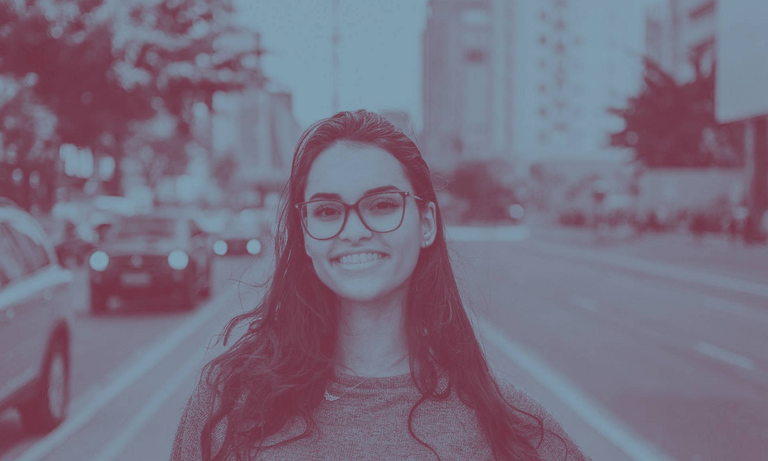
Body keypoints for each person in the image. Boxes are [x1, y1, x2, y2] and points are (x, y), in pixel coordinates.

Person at [171, 110, 592, 461]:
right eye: (327, 210)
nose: (354, 229)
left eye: (383, 205)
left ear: (426, 223)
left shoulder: (506, 424)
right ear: (304, 233)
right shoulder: (227, 400)